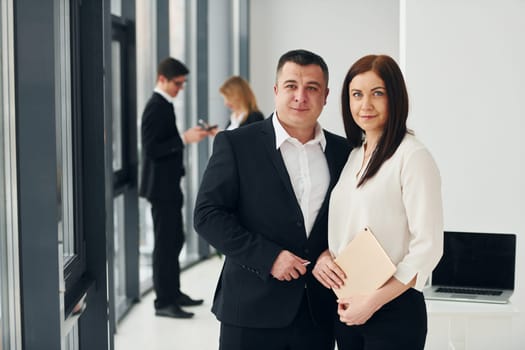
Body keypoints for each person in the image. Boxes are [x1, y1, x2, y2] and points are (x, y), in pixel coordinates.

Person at [193, 49, 351, 350]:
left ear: (326, 95)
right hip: (250, 310)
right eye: (291, 86)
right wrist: (270, 258)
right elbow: (207, 215)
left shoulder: (345, 153)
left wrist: (332, 251)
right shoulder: (237, 144)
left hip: (317, 313)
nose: (300, 96)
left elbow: (352, 219)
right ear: (277, 90)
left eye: (312, 88)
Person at [312, 54, 444, 349]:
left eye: (377, 93)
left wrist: (372, 302)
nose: (365, 105)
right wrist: (325, 256)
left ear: (395, 97)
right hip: (348, 305)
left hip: (392, 308)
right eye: (356, 94)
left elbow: (428, 247)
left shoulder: (412, 156)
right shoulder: (354, 155)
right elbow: (346, 226)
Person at [139, 57, 211, 319]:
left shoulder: (164, 105)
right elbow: (151, 148)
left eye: (182, 84)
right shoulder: (155, 107)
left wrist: (186, 137)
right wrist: (184, 139)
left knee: (174, 240)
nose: (180, 88)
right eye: (177, 84)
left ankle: (173, 292)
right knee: (165, 244)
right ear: (162, 79)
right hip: (161, 189)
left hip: (168, 186)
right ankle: (164, 302)